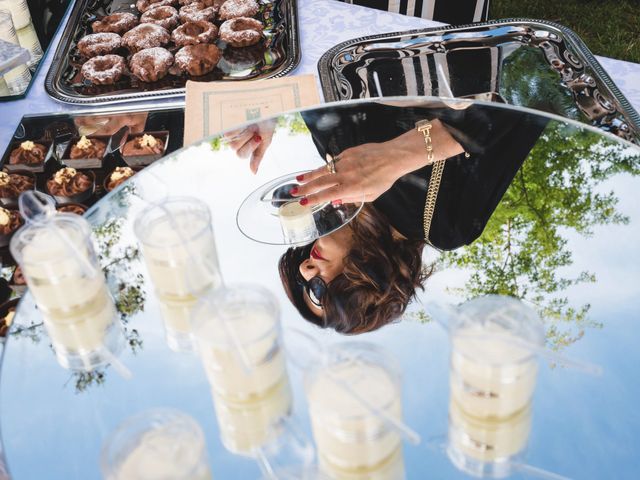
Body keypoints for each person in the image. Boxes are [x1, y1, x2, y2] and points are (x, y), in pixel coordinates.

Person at [228, 101, 548, 333]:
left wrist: (268, 108)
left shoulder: (333, 168)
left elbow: (320, 78)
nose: (304, 267)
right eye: (319, 290)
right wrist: (398, 157)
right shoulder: (445, 224)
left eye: (302, 281)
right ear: (370, 291)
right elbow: (526, 101)